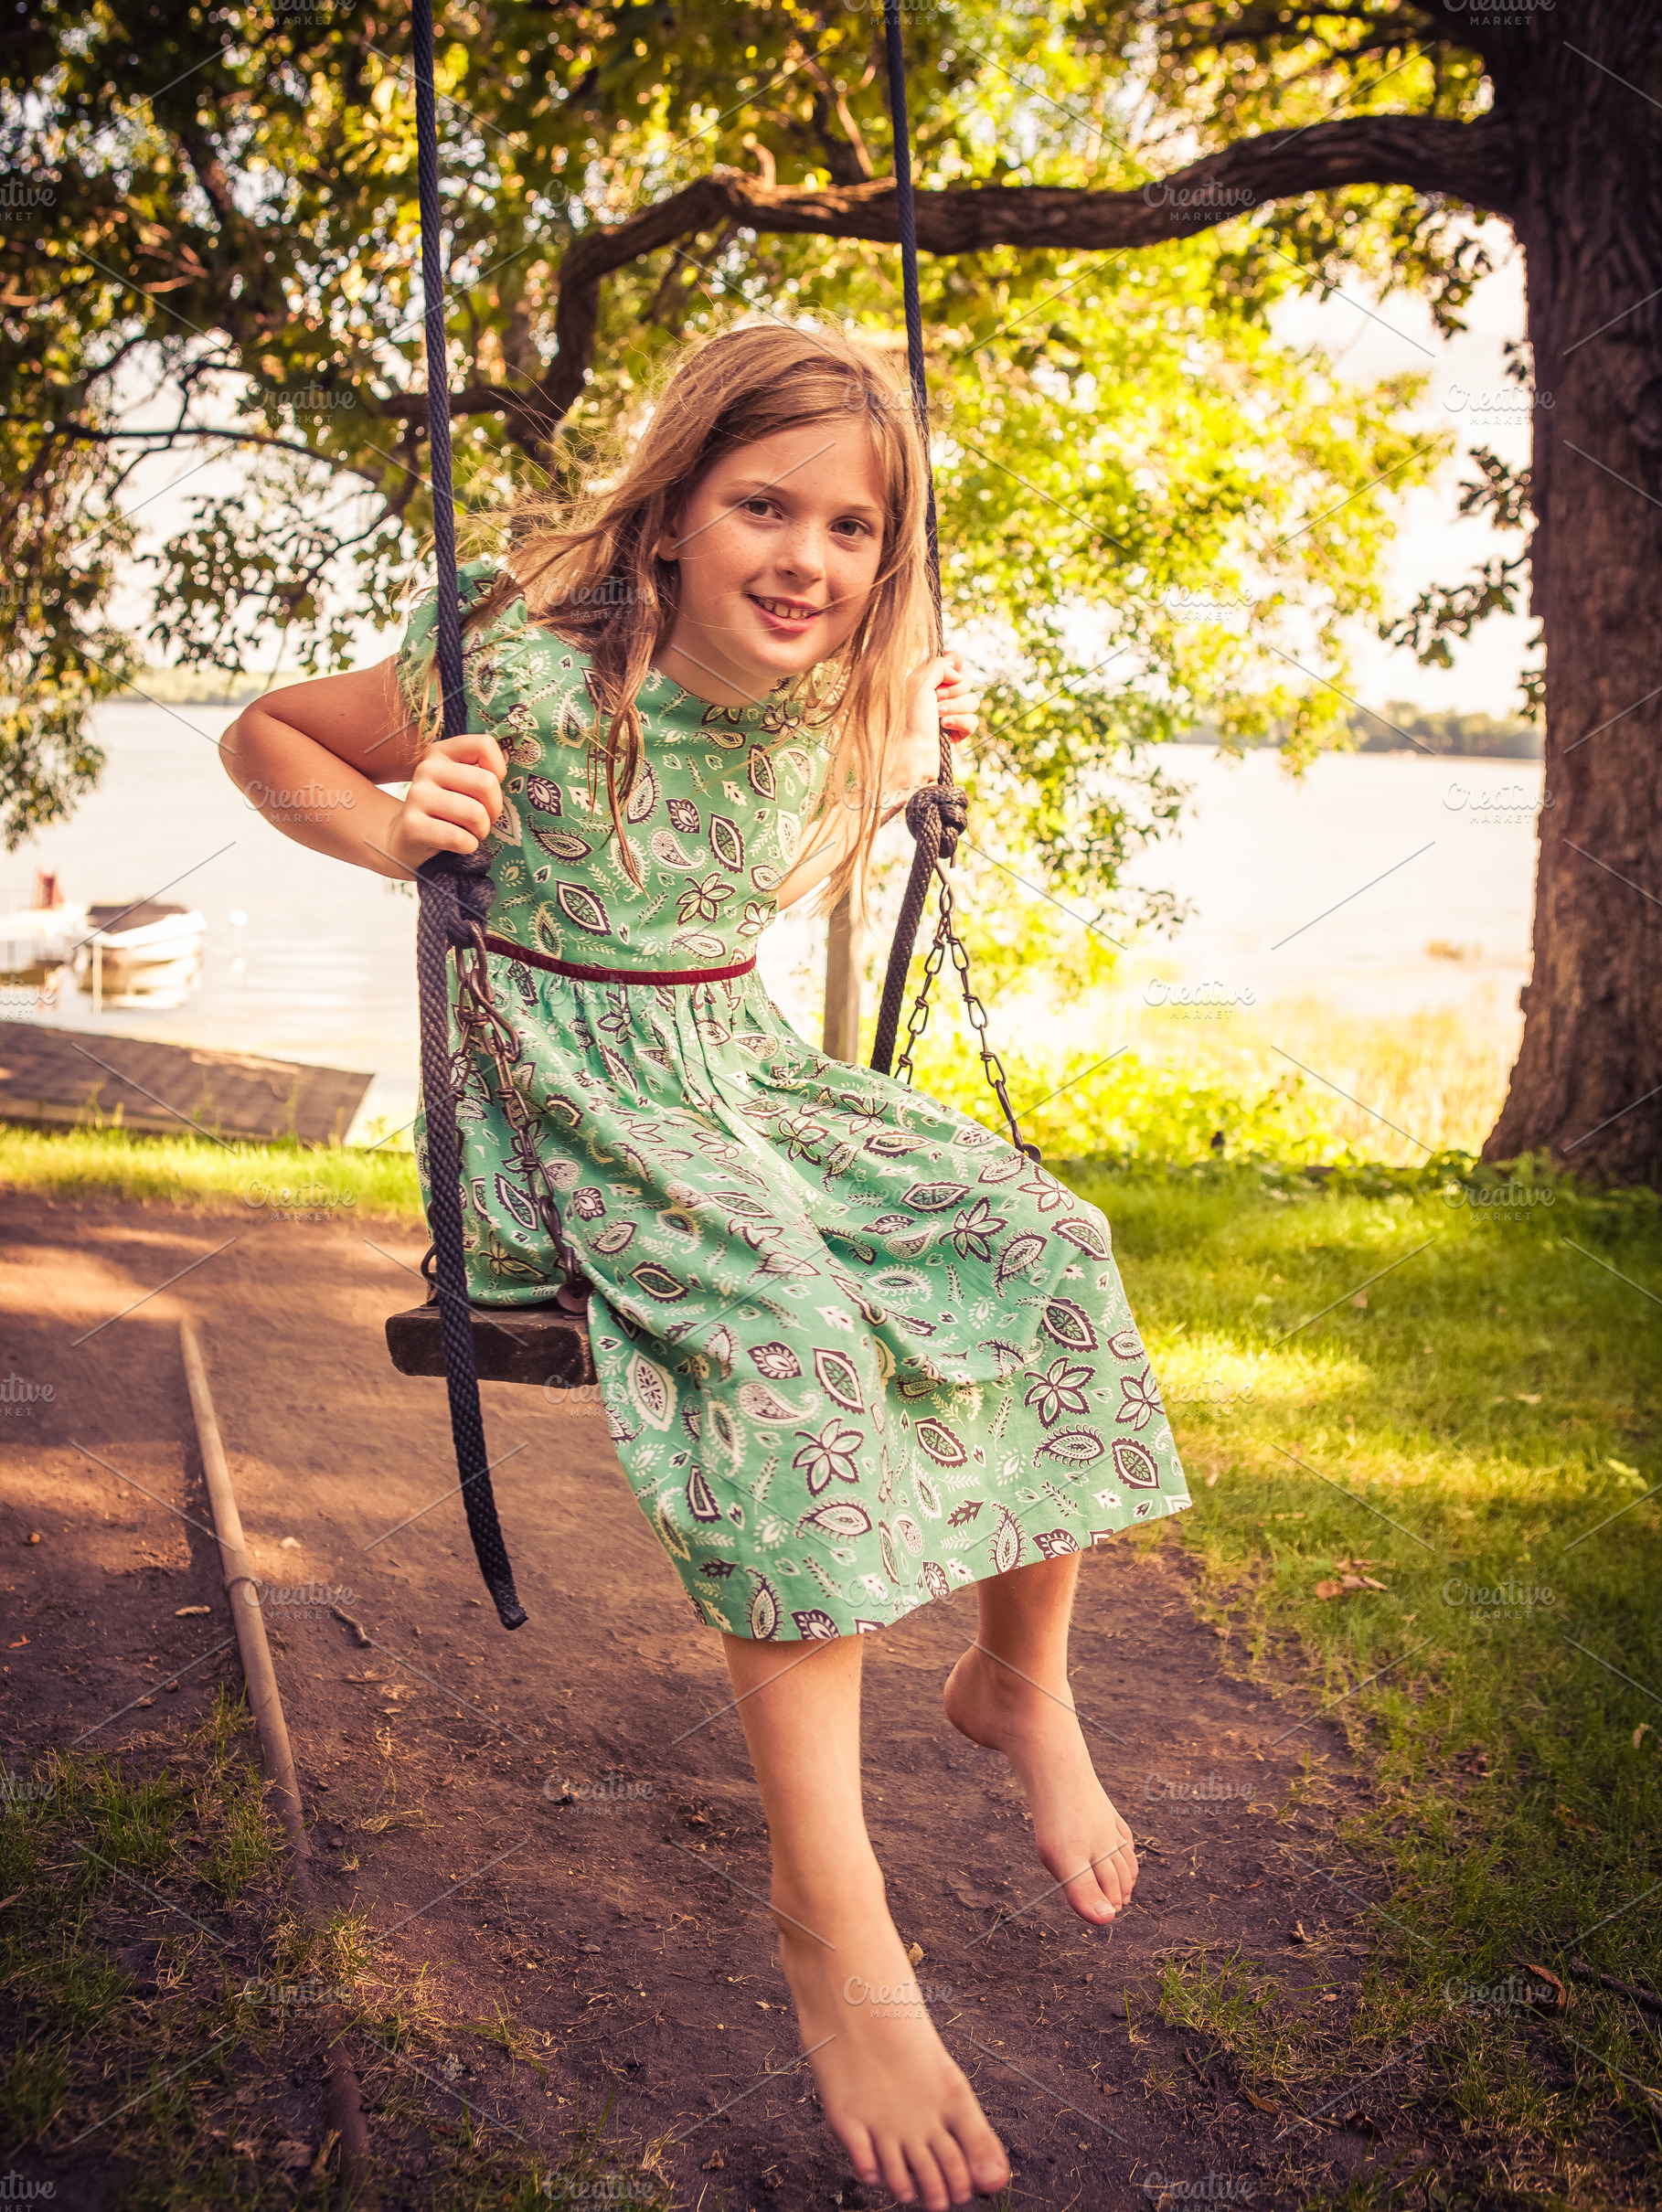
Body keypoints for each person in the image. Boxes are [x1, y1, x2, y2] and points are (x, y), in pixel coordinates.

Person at [223, 320, 1190, 2210]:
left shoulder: (847, 691)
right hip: (570, 1099)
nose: (809, 557)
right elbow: (264, 736)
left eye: (853, 527)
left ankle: (1019, 1680)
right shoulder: (507, 654)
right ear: (671, 512)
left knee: (1039, 1240)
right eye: (767, 503)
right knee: (790, 1333)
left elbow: (830, 803)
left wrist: (922, 753)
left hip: (733, 1063)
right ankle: (834, 1914)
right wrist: (387, 826)